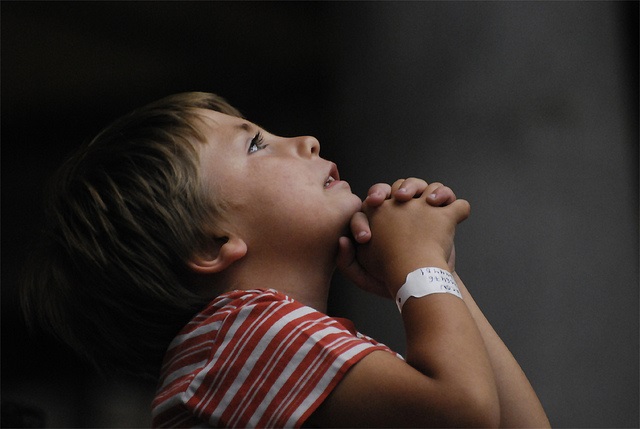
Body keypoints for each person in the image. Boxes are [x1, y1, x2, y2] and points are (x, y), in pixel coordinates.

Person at [21, 92, 550, 428]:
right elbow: (464, 414)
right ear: (211, 244)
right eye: (255, 145)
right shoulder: (241, 336)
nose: (306, 141)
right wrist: (417, 262)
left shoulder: (257, 345)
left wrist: (436, 271)